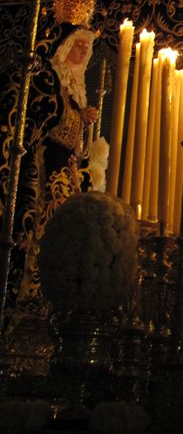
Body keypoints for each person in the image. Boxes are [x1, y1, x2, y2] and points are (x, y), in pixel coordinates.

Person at [0, 22, 103, 321]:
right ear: (64, 47)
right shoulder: (47, 81)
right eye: (78, 45)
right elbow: (44, 123)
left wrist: (80, 120)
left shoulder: (74, 89)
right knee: (42, 233)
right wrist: (75, 117)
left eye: (87, 47)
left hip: (67, 174)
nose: (82, 50)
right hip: (45, 171)